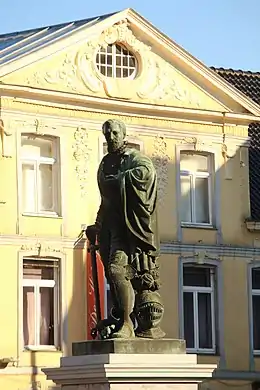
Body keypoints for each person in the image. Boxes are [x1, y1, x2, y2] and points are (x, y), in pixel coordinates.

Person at [91, 119, 163, 339]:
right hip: (110, 226)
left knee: (117, 269)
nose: (110, 137)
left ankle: (126, 325)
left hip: (127, 226)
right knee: (111, 276)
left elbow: (147, 172)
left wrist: (123, 179)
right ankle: (120, 316)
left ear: (123, 135)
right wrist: (97, 223)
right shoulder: (104, 163)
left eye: (114, 133)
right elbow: (106, 200)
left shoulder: (132, 158)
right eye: (107, 134)